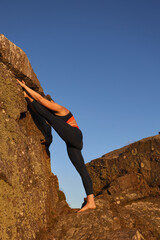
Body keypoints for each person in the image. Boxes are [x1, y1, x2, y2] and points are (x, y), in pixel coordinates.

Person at [17, 80, 96, 213]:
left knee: (50, 118)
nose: (51, 106)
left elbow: (41, 100)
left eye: (51, 104)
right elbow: (42, 109)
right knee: (82, 171)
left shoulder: (61, 109)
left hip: (75, 136)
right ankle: (91, 202)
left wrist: (25, 88)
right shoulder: (55, 113)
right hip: (72, 144)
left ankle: (27, 97)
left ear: (53, 102)